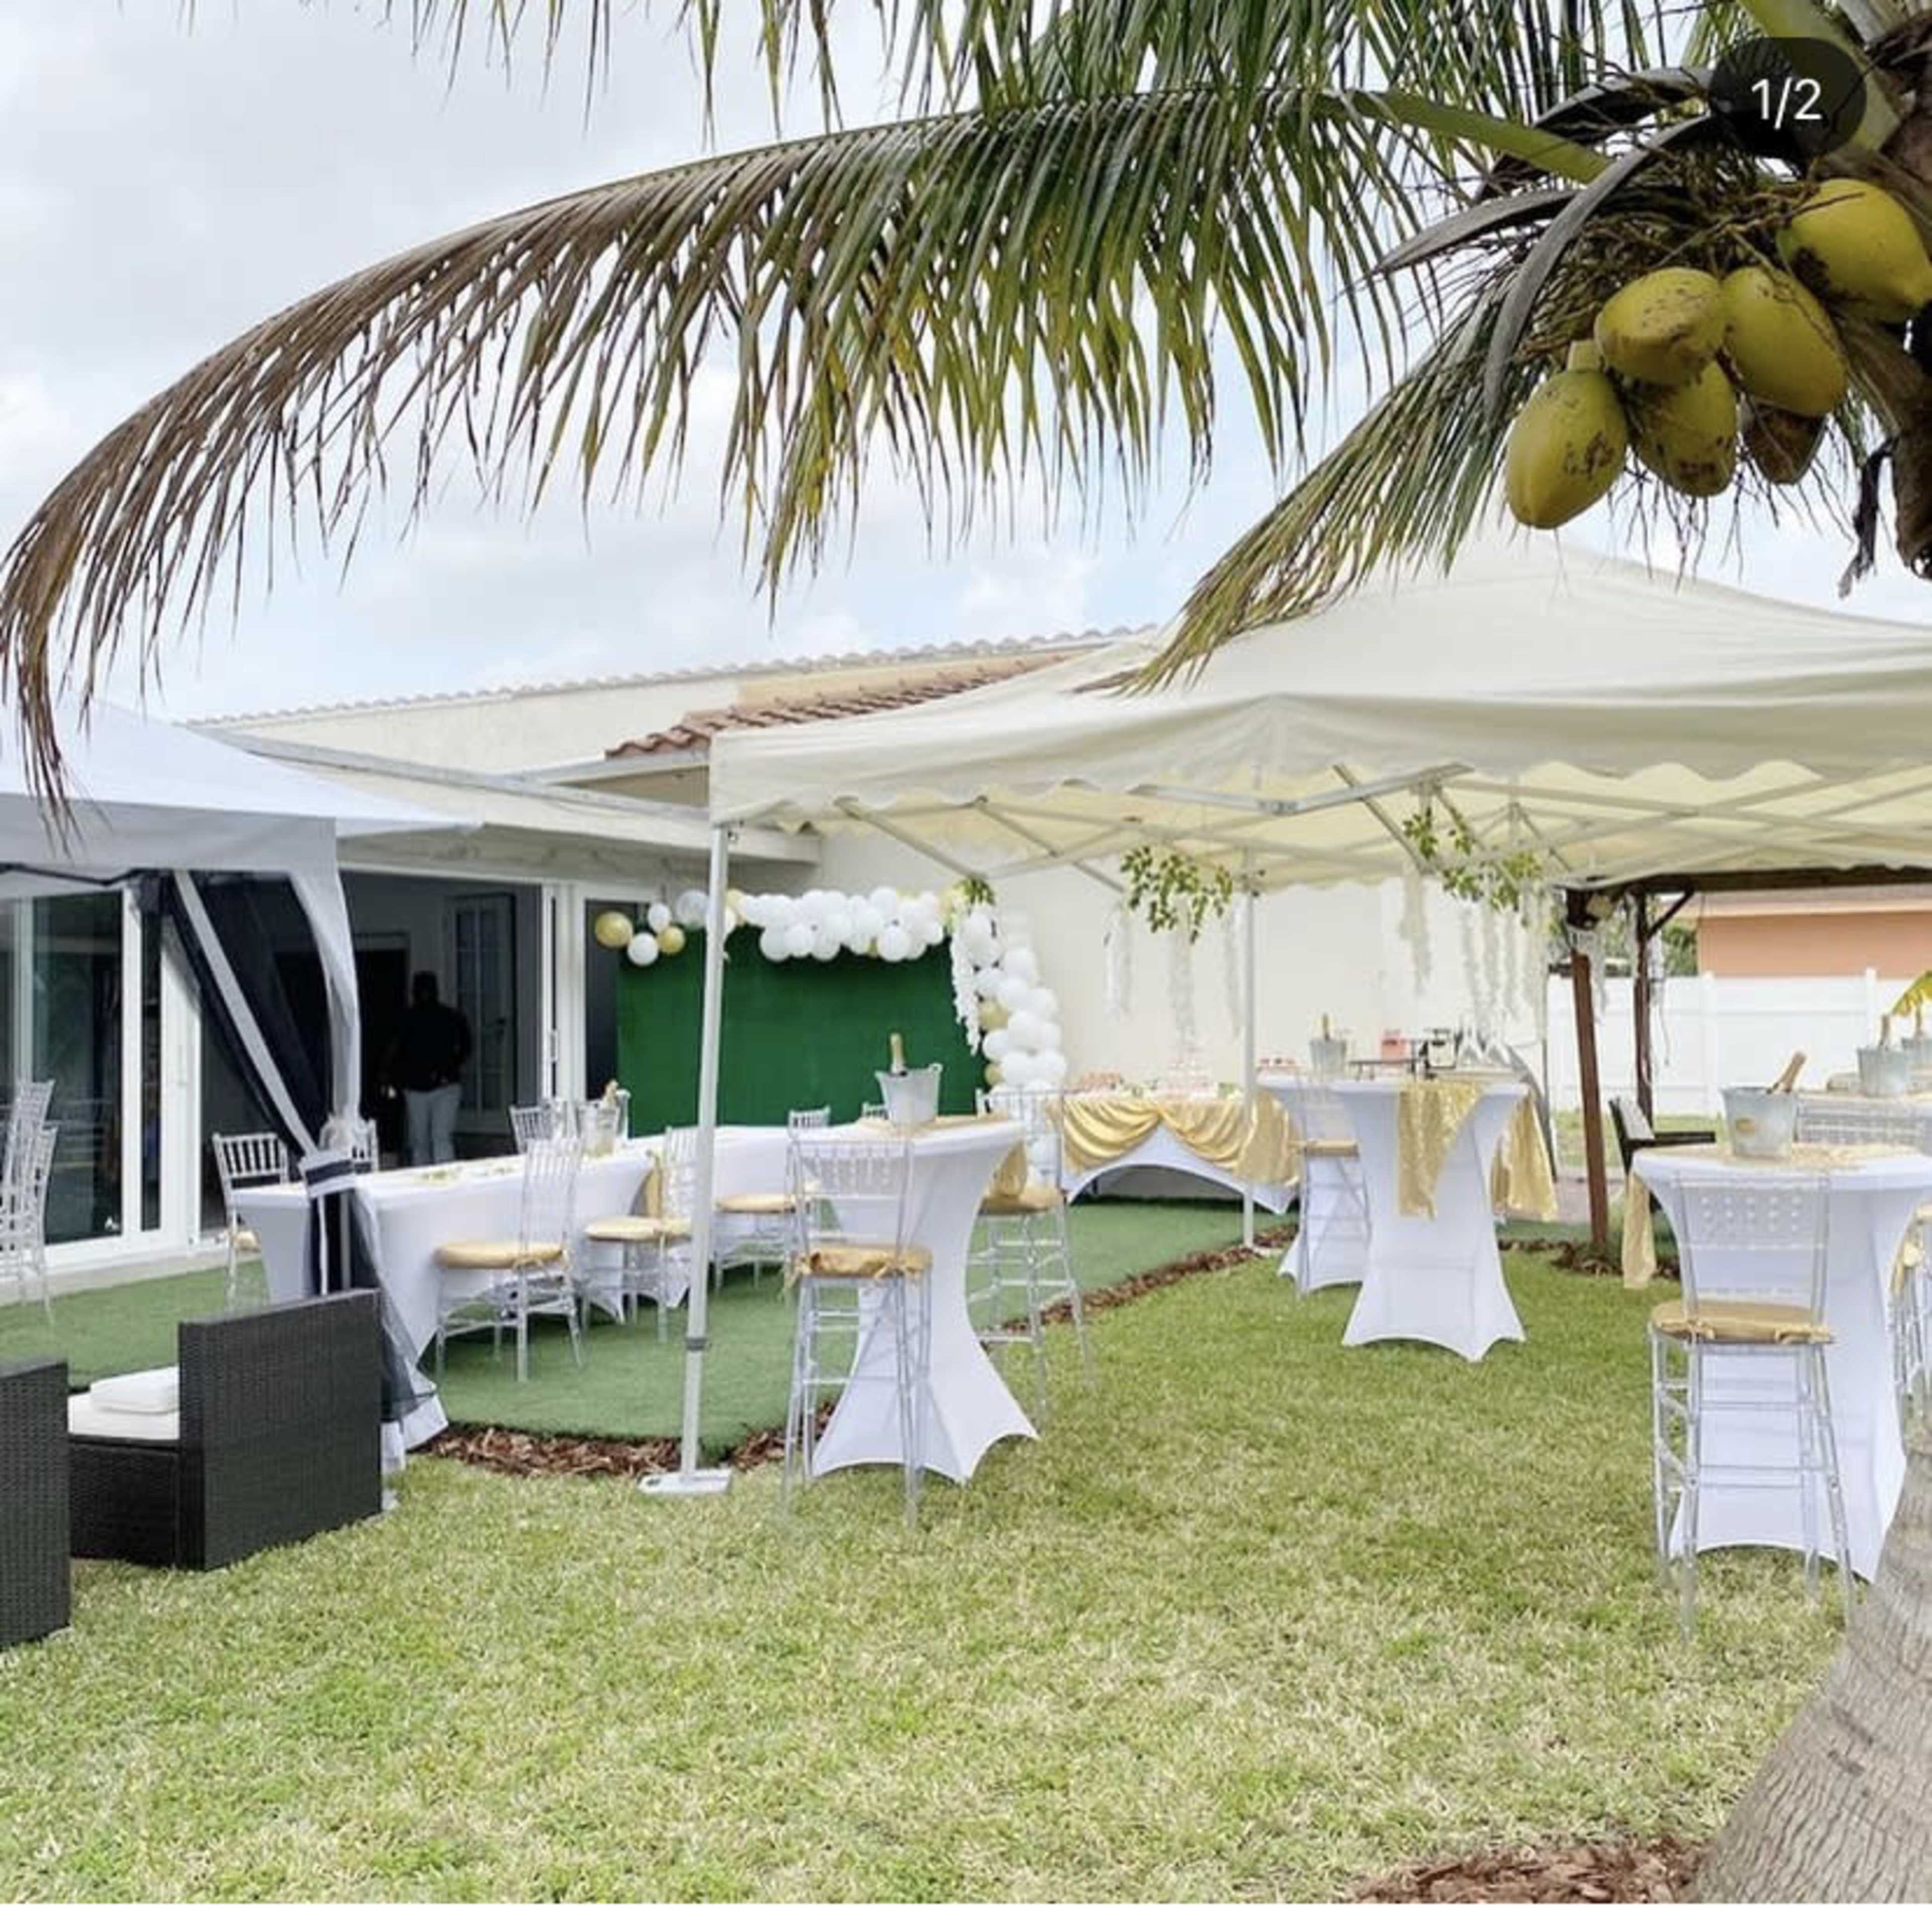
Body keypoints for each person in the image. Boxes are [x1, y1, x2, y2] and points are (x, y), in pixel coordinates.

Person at [385, 971, 472, 1166]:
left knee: (437, 1138)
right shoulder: (409, 1019)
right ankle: (429, 1178)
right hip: (420, 1086)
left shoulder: (448, 1017)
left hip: (442, 1086)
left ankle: (443, 1178)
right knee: (424, 1141)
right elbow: (395, 1050)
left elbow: (466, 1046)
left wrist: (450, 1068)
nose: (424, 994)